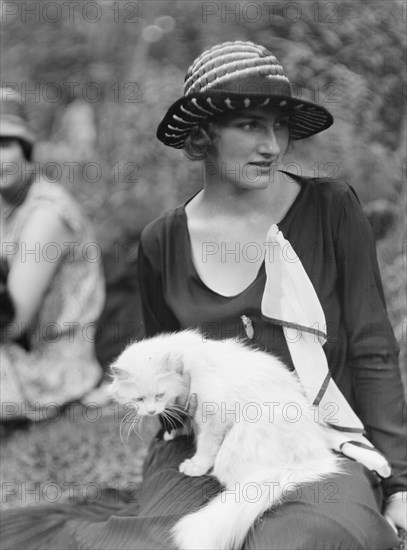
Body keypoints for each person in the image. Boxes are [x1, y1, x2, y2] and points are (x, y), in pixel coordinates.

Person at [1, 41, 405, 550]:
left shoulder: (330, 209)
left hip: (312, 442)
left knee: (309, 537)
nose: (272, 145)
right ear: (201, 138)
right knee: (162, 543)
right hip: (203, 443)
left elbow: (372, 350)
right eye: (250, 125)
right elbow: (162, 369)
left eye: (278, 125)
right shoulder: (161, 242)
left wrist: (401, 484)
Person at [0, 88, 105, 424]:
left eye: (4, 145)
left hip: (50, 370)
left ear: (26, 149)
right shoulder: (11, 207)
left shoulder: (47, 215)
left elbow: (14, 324)